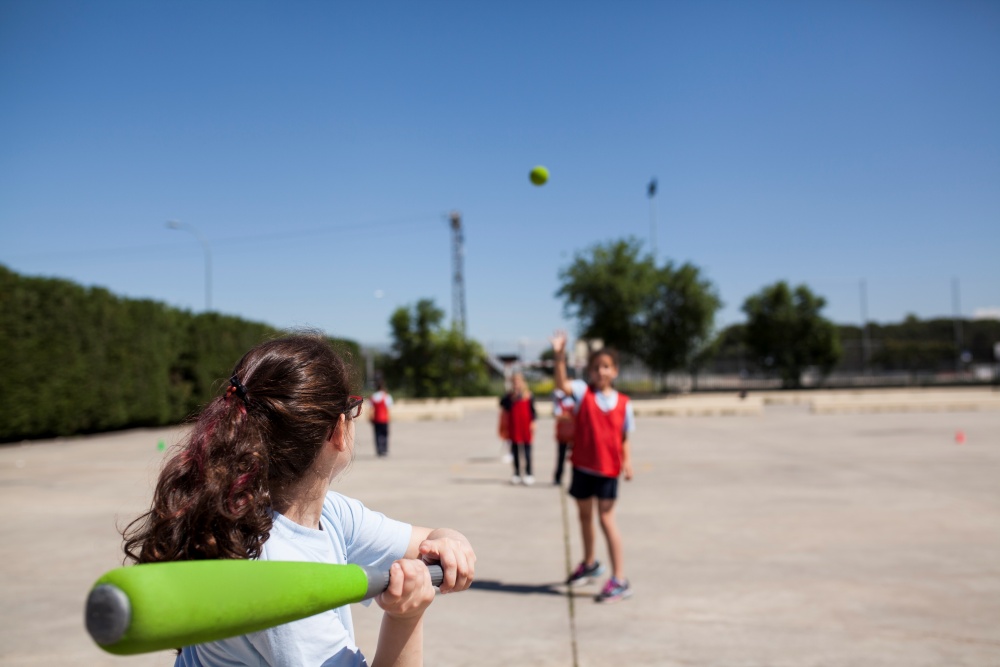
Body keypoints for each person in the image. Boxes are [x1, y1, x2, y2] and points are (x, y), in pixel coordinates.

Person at [122, 333, 476, 667]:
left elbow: (424, 540)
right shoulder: (273, 570)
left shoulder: (330, 513)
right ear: (338, 430)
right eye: (353, 408)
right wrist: (406, 618)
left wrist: (450, 541)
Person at [550, 331, 635, 603]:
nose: (601, 371)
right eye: (596, 367)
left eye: (606, 366)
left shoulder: (624, 403)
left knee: (606, 520)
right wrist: (559, 355)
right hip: (583, 467)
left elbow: (624, 436)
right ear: (590, 370)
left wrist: (628, 462)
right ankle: (589, 564)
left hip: (608, 470)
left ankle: (620, 579)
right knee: (584, 517)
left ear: (615, 371)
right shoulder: (582, 392)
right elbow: (561, 383)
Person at [499, 372, 536, 485]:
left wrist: (534, 423)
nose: (516, 384)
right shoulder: (509, 396)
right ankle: (516, 473)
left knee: (527, 452)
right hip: (514, 427)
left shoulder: (528, 395)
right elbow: (502, 405)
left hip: (525, 426)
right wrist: (512, 397)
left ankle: (529, 473)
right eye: (514, 382)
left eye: (518, 381)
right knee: (515, 451)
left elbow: (533, 411)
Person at [551, 388, 575, 486]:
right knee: (561, 457)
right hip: (563, 434)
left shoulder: (576, 399)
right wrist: (571, 417)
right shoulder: (559, 400)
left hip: (575, 434)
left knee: (576, 459)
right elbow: (557, 415)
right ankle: (558, 477)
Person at [369, 380, 393, 457]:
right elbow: (388, 409)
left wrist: (370, 417)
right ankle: (384, 449)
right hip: (384, 419)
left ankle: (379, 450)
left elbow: (371, 409)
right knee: (385, 434)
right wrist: (389, 418)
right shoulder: (387, 396)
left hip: (376, 419)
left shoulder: (373, 396)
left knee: (377, 434)